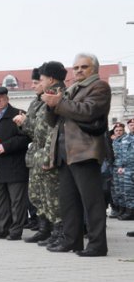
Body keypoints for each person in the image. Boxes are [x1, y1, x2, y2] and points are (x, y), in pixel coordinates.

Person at [43, 53, 111, 256]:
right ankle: (72, 241)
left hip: (85, 151)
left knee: (92, 201)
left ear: (94, 69)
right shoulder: (71, 90)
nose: (79, 70)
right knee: (68, 201)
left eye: (84, 66)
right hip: (66, 152)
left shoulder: (100, 87)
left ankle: (98, 245)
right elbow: (52, 122)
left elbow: (88, 111)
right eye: (76, 67)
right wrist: (50, 105)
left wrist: (58, 103)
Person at [14, 62, 67, 245]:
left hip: (50, 151)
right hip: (39, 152)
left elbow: (50, 128)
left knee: (53, 196)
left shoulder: (57, 96)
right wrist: (24, 123)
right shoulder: (41, 100)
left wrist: (26, 122)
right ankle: (46, 229)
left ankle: (59, 232)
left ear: (50, 79)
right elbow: (36, 129)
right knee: (39, 195)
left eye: (40, 80)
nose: (36, 84)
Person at [0, 87, 30, 240]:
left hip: (15, 165)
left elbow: (26, 137)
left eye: (1, 97)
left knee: (17, 201)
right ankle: (1, 228)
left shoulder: (18, 115)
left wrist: (6, 146)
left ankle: (16, 230)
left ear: (7, 99)